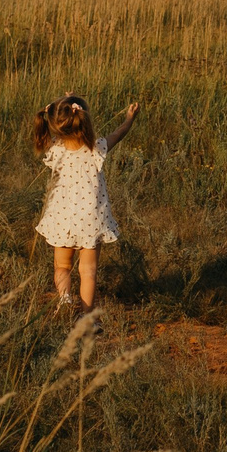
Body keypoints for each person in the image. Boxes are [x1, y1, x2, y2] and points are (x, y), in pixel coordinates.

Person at [33, 94, 140, 312]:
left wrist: (56, 107)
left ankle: (64, 299)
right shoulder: (97, 147)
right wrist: (129, 119)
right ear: (82, 117)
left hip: (62, 218)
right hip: (91, 219)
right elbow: (118, 135)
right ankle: (87, 316)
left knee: (62, 267)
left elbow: (53, 126)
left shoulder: (55, 149)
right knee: (88, 272)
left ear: (56, 125)